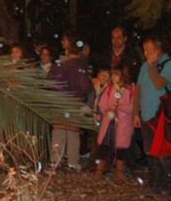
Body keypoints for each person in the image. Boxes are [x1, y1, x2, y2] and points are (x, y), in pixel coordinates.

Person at [139, 35, 171, 198]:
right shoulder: (144, 66)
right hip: (146, 114)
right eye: (145, 50)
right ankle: (155, 183)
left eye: (148, 50)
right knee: (150, 151)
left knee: (163, 153)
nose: (146, 53)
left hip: (162, 115)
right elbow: (139, 89)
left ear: (158, 49)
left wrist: (152, 67)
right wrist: (135, 112)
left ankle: (169, 187)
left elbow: (160, 84)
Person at [48, 42, 95, 172]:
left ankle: (56, 160)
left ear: (68, 52)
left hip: (58, 103)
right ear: (79, 53)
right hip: (75, 102)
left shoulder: (58, 66)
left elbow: (50, 83)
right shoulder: (81, 66)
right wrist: (88, 102)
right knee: (73, 134)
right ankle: (72, 162)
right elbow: (85, 86)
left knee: (58, 132)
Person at [94, 66, 135, 178]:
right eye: (112, 75)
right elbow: (102, 103)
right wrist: (108, 110)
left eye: (116, 75)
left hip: (123, 123)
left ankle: (119, 171)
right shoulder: (110, 88)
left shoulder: (130, 89)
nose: (113, 77)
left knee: (121, 148)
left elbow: (133, 106)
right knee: (104, 145)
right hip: (109, 122)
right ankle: (99, 169)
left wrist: (120, 107)